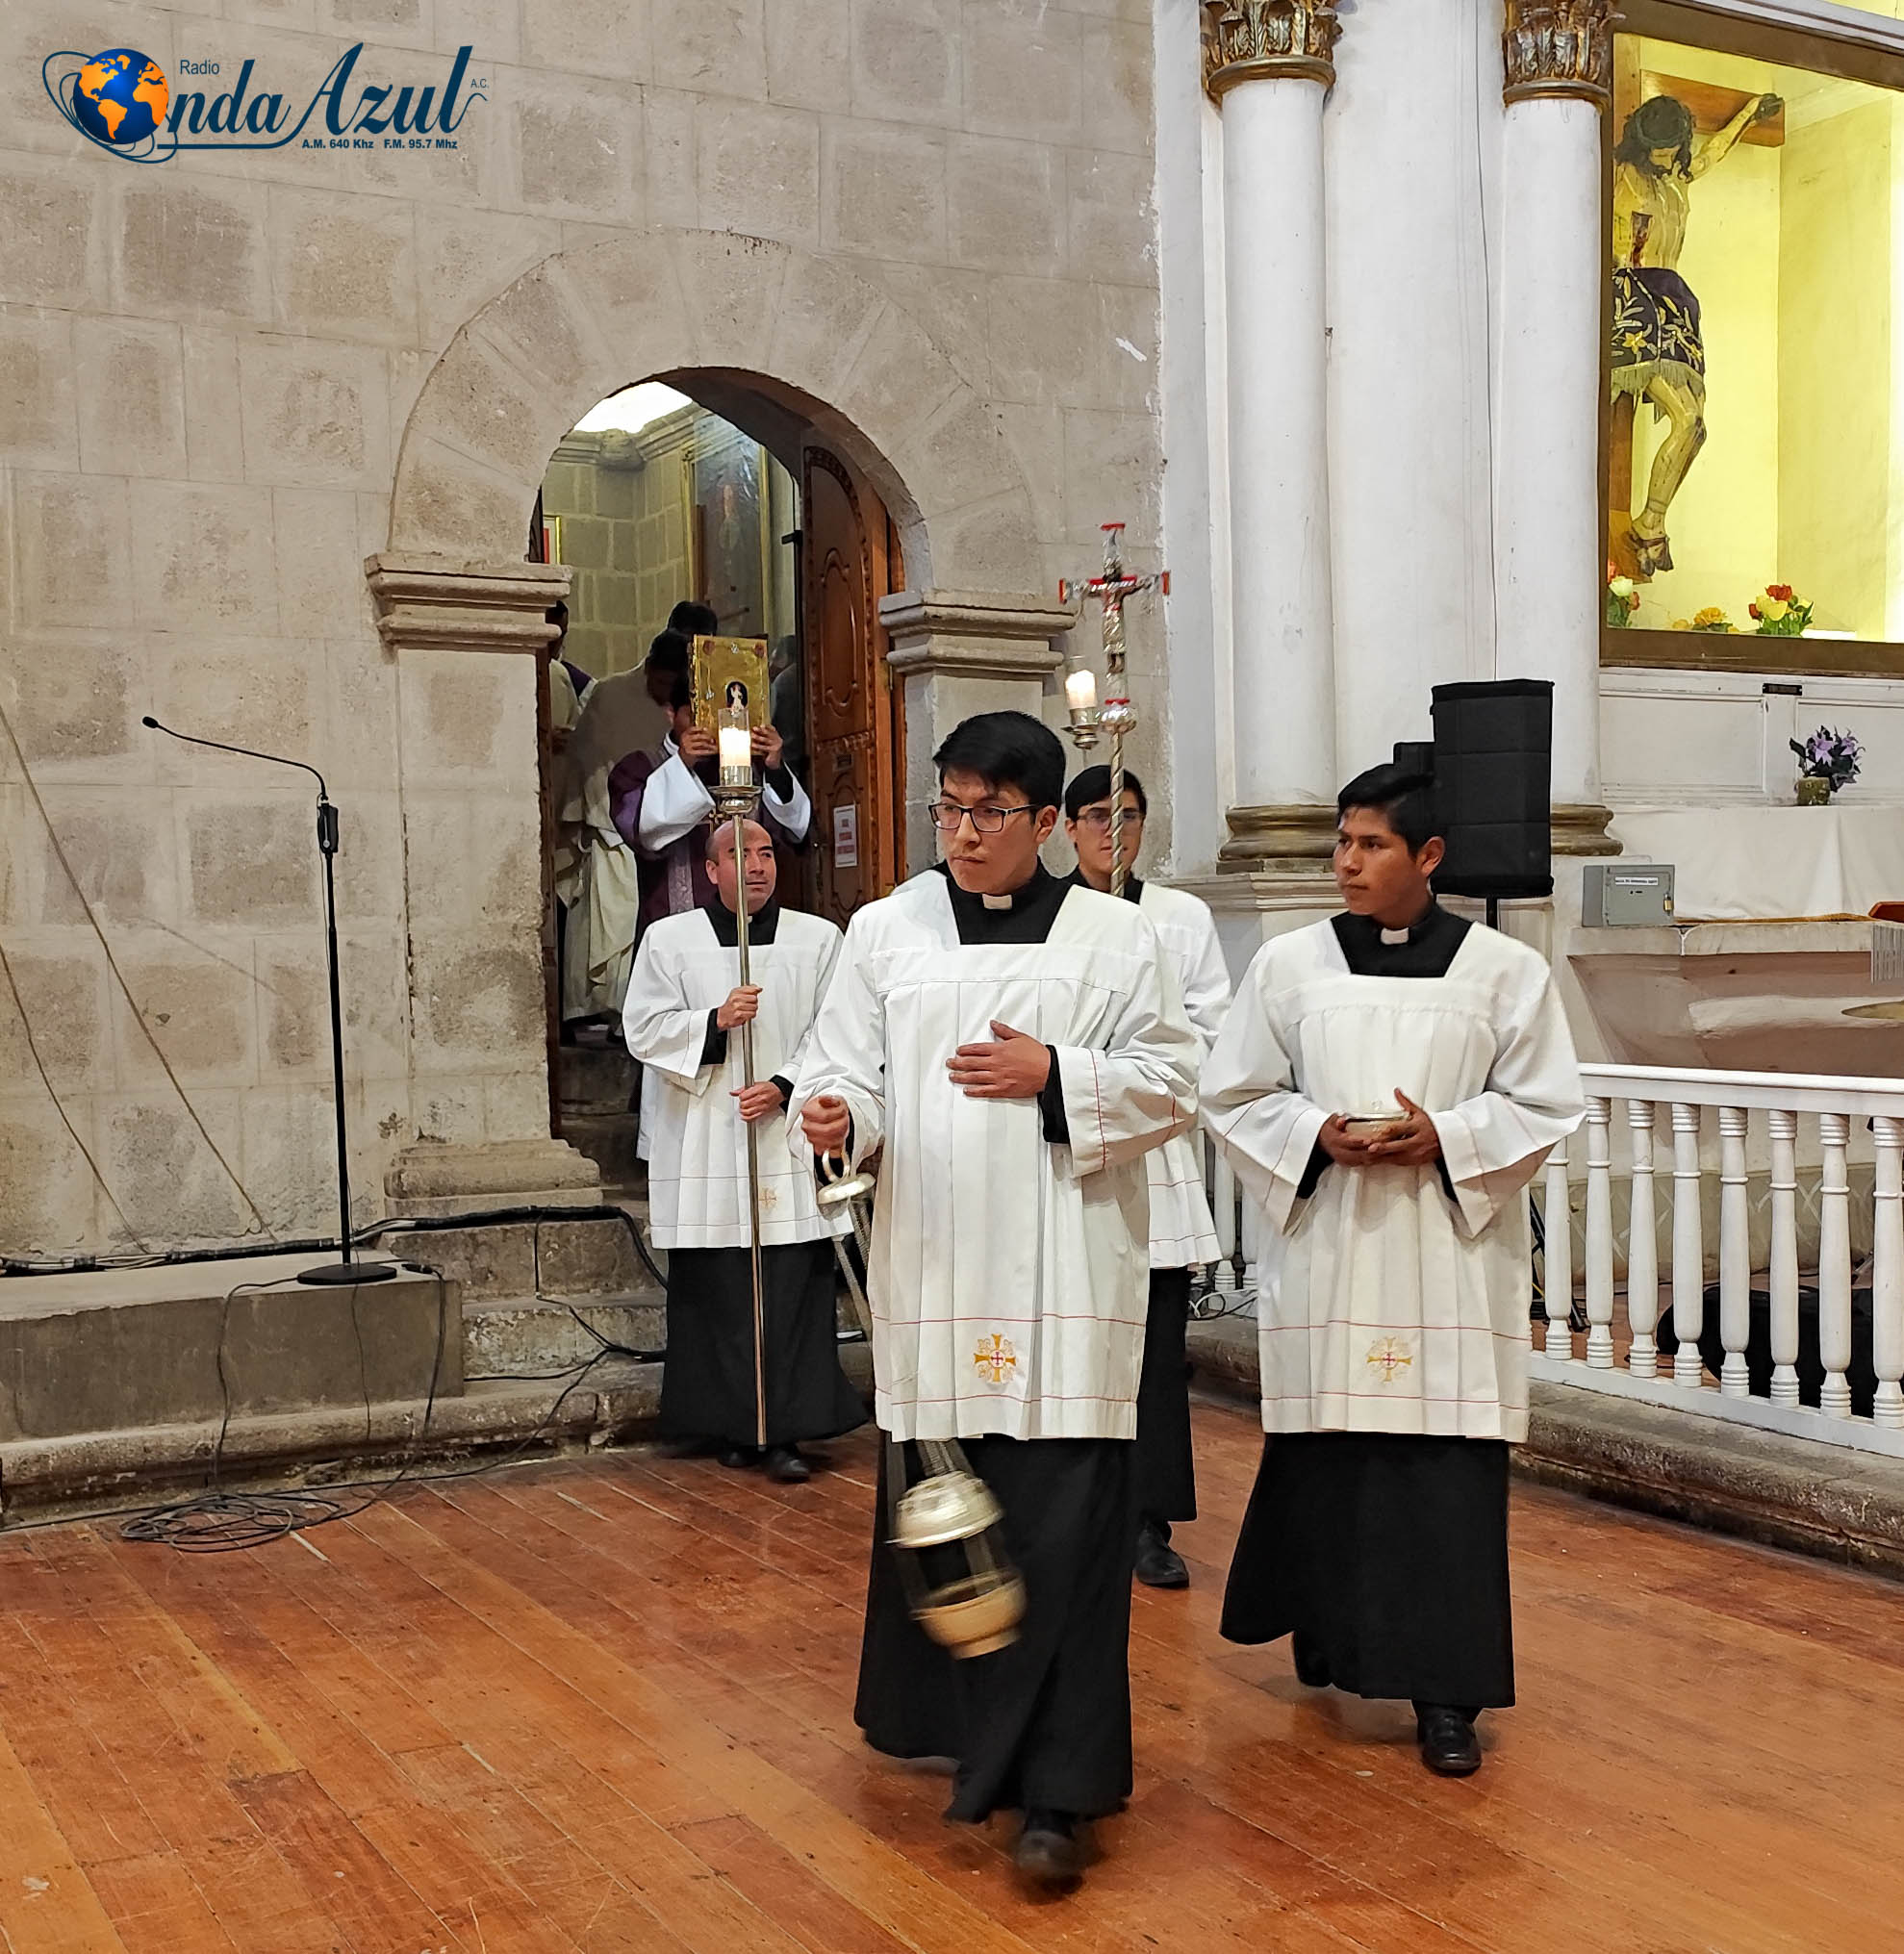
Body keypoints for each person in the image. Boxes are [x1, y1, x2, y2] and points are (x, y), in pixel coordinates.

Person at [789, 710, 1199, 1890]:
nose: (963, 834)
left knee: (1064, 1535)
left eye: (989, 813)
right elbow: (842, 1065)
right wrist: (839, 1114)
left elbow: (1175, 1081)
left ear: (1046, 820)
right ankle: (964, 1732)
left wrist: (1056, 1073)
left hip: (1067, 1276)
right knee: (951, 1518)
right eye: (948, 809)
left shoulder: (1115, 939)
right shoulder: (886, 930)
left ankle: (1058, 1793)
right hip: (935, 1268)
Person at [1201, 764, 1584, 1778]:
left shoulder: (1503, 971)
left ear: (1429, 856)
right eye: (1340, 841)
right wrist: (1314, 1133)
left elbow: (1545, 1102)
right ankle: (1332, 1640)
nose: (1345, 862)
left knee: (1442, 1482)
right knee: (1335, 1462)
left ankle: (1447, 1698)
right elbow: (1231, 1093)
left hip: (1444, 1258)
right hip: (1332, 1250)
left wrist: (1446, 1135)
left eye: (1369, 844)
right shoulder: (1288, 965)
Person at [622, 817, 865, 1483]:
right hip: (705, 1133)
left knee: (788, 1284)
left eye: (765, 853)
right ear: (711, 870)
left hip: (783, 1134)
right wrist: (713, 1022)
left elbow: (838, 1029)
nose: (756, 865)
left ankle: (785, 1429)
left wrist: (784, 1085)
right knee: (720, 1286)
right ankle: (730, 1422)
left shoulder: (819, 940)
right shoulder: (669, 939)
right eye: (738, 854)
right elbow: (642, 1027)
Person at [1063, 765, 1231, 1590]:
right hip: (1060, 1149)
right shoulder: (1047, 917)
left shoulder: (1179, 916)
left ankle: (1146, 1521)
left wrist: (1123, 1068)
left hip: (1150, 1150)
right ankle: (1072, 1514)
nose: (1113, 831)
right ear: (1065, 827)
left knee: (1153, 1353)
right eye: (1096, 815)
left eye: (1126, 815)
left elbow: (1211, 1030)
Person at [555, 601, 720, 1027]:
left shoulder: (717, 733)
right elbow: (597, 768)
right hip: (615, 834)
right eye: (659, 686)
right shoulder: (611, 695)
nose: (663, 695)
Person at [607, 634, 811, 933]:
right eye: (696, 715)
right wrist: (683, 763)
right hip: (675, 928)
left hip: (747, 925)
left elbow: (795, 830)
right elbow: (645, 832)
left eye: (717, 715)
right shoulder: (639, 767)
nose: (709, 725)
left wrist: (775, 768)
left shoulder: (750, 765)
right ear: (670, 713)